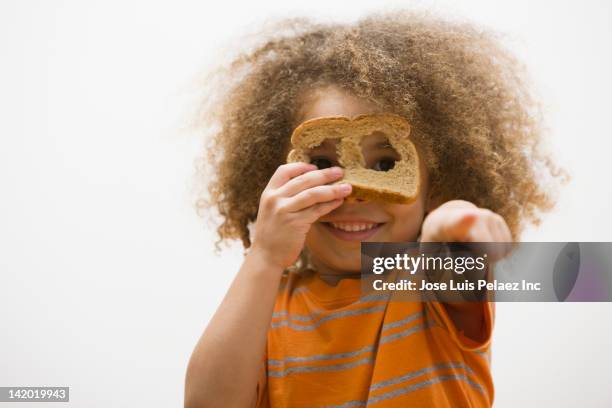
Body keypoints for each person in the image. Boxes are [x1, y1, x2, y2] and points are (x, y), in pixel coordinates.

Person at [184, 10, 564, 407]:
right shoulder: (266, 304)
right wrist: (263, 256)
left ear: (437, 184)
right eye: (321, 165)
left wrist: (451, 227)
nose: (354, 192)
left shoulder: (422, 284)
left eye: (385, 165)